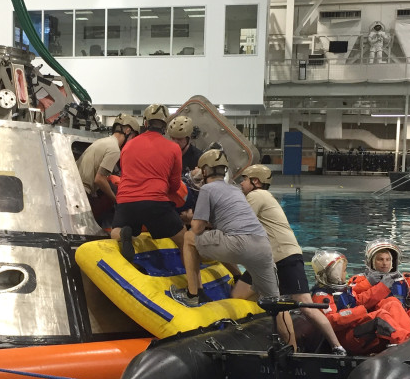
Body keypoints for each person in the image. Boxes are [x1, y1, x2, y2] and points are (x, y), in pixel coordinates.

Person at [231, 164, 345, 354]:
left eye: (244, 179)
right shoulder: (263, 197)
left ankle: (333, 346)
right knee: (240, 296)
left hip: (282, 257)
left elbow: (237, 222)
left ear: (256, 181)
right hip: (269, 259)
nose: (241, 183)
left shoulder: (256, 196)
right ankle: (325, 346)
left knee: (305, 305)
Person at [169, 150, 279, 308]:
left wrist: (188, 219)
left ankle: (193, 294)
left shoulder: (207, 189)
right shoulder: (236, 190)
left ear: (205, 171)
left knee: (188, 238)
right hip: (263, 247)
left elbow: (198, 228)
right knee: (276, 303)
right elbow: (229, 220)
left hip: (238, 244)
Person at [110, 104, 185, 263]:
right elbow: (175, 184)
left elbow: (125, 172)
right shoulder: (173, 148)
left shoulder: (128, 146)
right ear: (165, 126)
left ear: (145, 123)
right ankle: (194, 286)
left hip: (126, 201)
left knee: (115, 230)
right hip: (155, 201)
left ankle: (124, 234)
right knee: (185, 240)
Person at [76, 113, 140, 227]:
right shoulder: (114, 150)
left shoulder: (102, 141)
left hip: (77, 189)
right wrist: (116, 201)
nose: (132, 141)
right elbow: (99, 179)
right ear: (127, 131)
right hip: (83, 194)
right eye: (133, 137)